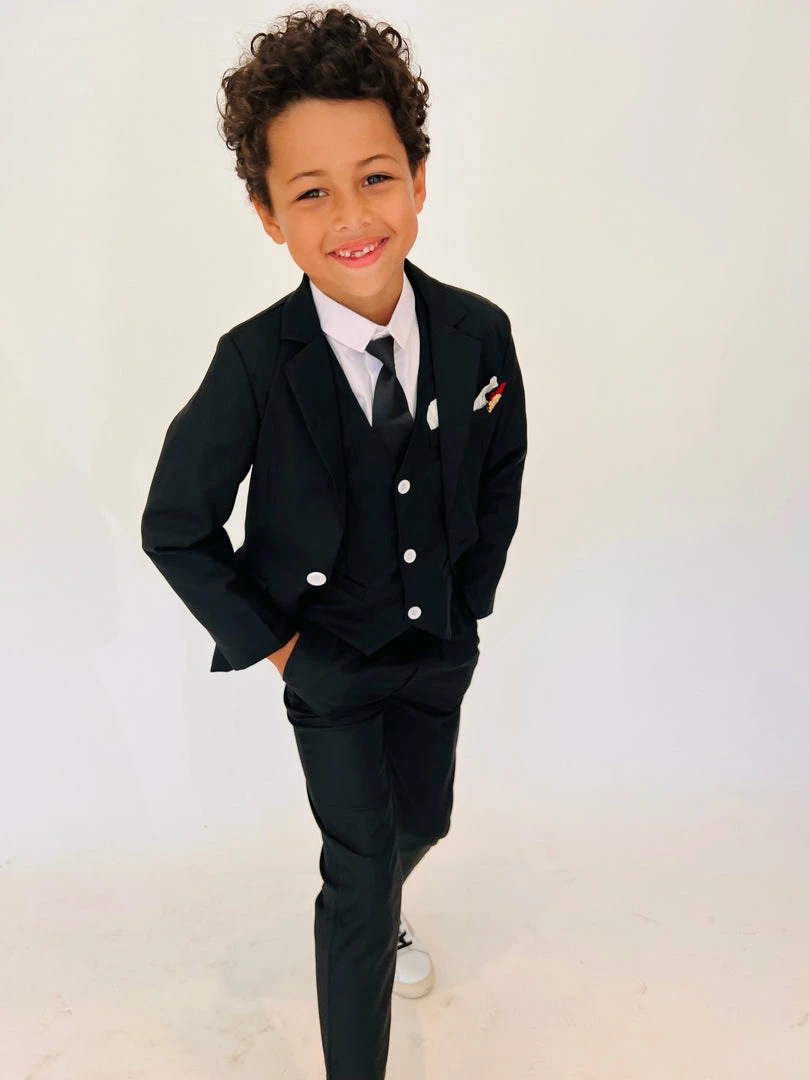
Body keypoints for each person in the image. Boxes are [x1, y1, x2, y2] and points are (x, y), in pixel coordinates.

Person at [140, 7, 527, 1078]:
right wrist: (282, 649)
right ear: (268, 214)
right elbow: (175, 525)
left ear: (418, 180)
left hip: (438, 649)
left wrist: (469, 602)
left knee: (422, 822)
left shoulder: (479, 333)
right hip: (328, 661)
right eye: (311, 192)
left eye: (376, 178)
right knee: (357, 872)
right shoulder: (252, 365)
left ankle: (389, 900)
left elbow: (500, 470)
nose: (352, 216)